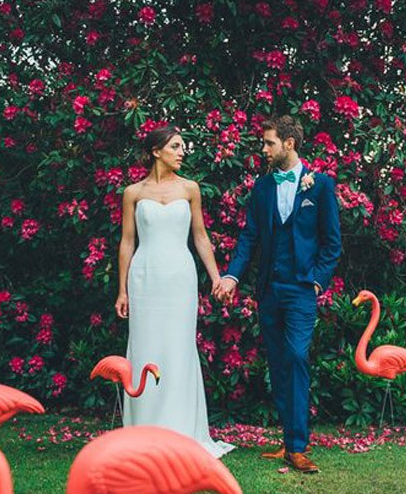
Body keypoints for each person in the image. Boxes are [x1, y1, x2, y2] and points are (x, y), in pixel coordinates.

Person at [214, 115, 341, 473]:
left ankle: (298, 446)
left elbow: (332, 243)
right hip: (269, 290)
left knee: (297, 357)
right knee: (278, 364)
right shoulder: (263, 188)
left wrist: (317, 281)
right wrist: (232, 276)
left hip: (301, 289)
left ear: (289, 143)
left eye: (269, 142)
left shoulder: (320, 186)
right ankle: (289, 443)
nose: (263, 149)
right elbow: (249, 237)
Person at [115, 126, 235, 458]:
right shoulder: (133, 193)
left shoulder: (190, 188)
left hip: (180, 277)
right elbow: (127, 242)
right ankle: (145, 431)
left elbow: (200, 236)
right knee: (146, 347)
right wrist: (122, 289)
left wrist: (216, 277)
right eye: (176, 146)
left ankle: (182, 431)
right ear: (156, 151)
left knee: (178, 348)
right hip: (145, 277)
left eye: (183, 147)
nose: (182, 152)